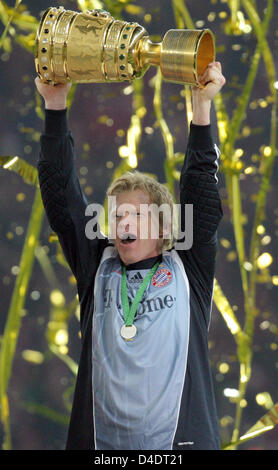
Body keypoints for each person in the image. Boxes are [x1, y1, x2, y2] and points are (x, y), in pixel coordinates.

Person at [35, 61, 226, 450]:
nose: (124, 222)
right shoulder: (97, 265)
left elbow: (201, 193)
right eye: (118, 214)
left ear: (162, 225)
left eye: (136, 214)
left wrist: (201, 109)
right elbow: (62, 198)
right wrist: (55, 106)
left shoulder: (188, 267)